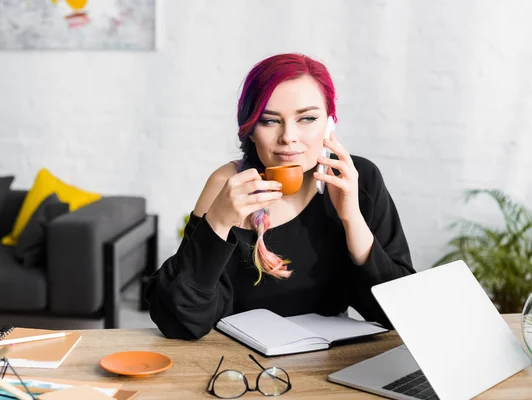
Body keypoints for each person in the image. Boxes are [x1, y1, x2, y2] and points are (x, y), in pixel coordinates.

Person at [144, 53, 415, 340]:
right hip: (240, 369)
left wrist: (352, 219)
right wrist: (220, 222)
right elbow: (180, 322)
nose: (288, 137)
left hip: (329, 365)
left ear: (330, 123)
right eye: (270, 121)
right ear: (250, 130)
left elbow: (402, 315)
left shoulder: (356, 179)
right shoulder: (228, 186)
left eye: (307, 118)